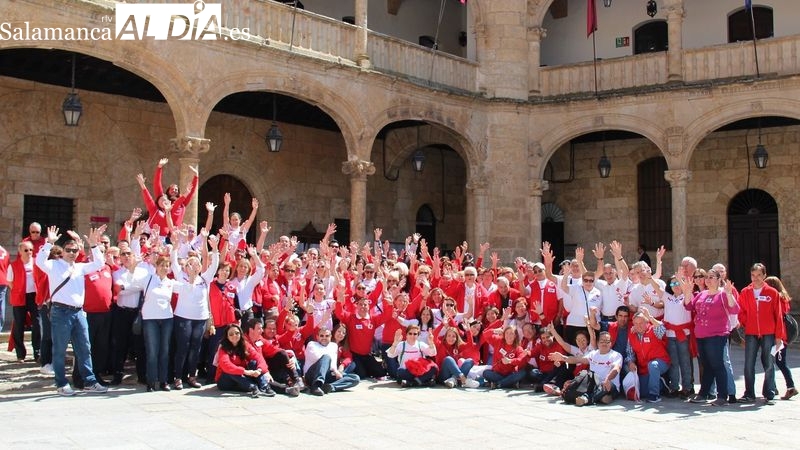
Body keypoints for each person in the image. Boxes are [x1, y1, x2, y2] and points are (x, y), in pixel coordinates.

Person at [35, 225, 109, 396]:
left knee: (84, 347)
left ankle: (89, 381)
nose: (72, 253)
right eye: (69, 250)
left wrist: (93, 245)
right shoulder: (54, 265)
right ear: (63, 251)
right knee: (60, 349)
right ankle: (61, 383)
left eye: (75, 250)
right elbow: (39, 262)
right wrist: (49, 243)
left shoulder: (80, 267)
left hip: (78, 312)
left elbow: (99, 263)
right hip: (61, 312)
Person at [679, 269, 739, 406]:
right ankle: (703, 393)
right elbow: (689, 306)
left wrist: (729, 294)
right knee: (707, 365)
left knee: (717, 364)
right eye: (707, 277)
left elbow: (734, 309)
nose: (708, 280)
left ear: (719, 280)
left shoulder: (723, 294)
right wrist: (687, 292)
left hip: (717, 335)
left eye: (711, 277)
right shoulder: (702, 294)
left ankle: (722, 395)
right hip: (701, 335)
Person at [170, 231, 220, 390]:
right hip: (183, 317)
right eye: (190, 263)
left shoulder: (205, 279)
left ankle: (192, 376)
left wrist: (215, 249)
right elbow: (173, 261)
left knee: (195, 348)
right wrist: (175, 247)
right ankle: (178, 377)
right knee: (182, 347)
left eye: (196, 263)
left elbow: (214, 265)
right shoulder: (180, 276)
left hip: (200, 318)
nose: (194, 266)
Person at [737, 263, 785, 404]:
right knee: (748, 364)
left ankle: (769, 393)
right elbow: (741, 311)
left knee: (769, 363)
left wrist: (778, 337)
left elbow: (778, 315)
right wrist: (746, 322)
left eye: (759, 275)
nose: (756, 278)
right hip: (751, 333)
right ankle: (749, 393)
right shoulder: (745, 292)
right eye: (753, 275)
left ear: (764, 275)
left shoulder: (772, 293)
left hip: (768, 333)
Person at [549, 331, 623, 406]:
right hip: (594, 384)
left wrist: (608, 379)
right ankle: (599, 398)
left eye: (607, 341)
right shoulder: (593, 354)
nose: (604, 343)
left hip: (609, 384)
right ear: (597, 342)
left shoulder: (616, 355)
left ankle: (587, 399)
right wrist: (563, 358)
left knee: (604, 387)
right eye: (602, 341)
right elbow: (578, 359)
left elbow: (616, 369)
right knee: (587, 377)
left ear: (611, 343)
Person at [215, 324, 274, 398]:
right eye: (231, 334)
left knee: (254, 363)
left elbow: (258, 357)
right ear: (227, 336)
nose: (234, 336)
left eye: (237, 333)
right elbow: (226, 365)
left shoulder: (245, 345)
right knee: (231, 370)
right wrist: (245, 372)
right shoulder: (223, 348)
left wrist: (260, 369)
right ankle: (253, 387)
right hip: (225, 381)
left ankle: (264, 386)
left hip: (242, 378)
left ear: (240, 333)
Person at [625, 308, 670, 403]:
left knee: (653, 365)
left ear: (646, 322)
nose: (638, 326)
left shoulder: (653, 329)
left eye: (641, 323)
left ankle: (654, 395)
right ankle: (661, 383)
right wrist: (630, 362)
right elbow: (629, 353)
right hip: (644, 368)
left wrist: (650, 317)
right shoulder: (632, 335)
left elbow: (662, 329)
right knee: (642, 393)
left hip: (661, 362)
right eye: (636, 324)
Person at [764, 276, 797, 400]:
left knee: (779, 362)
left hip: (778, 335)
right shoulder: (784, 297)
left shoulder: (777, 297)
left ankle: (791, 387)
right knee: (775, 361)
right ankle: (773, 387)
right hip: (783, 335)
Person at [7, 241, 40, 363]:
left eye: (31, 250)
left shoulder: (37, 263)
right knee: (19, 325)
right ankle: (20, 354)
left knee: (37, 323)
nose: (29, 252)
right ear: (20, 252)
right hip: (20, 297)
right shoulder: (13, 265)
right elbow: (10, 282)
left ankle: (37, 352)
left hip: (35, 297)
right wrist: (18, 290)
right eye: (26, 250)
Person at [303, 327, 360, 395]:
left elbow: (333, 362)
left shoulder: (333, 345)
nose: (324, 338)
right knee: (326, 357)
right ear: (317, 337)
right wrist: (335, 371)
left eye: (327, 336)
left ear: (330, 337)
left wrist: (337, 372)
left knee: (355, 378)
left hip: (327, 374)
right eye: (321, 336)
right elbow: (319, 358)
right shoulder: (312, 344)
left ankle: (330, 387)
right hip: (311, 376)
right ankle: (316, 386)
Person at [663, 275, 693, 398]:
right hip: (670, 334)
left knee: (685, 362)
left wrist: (682, 280)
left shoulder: (686, 296)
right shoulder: (667, 297)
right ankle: (674, 387)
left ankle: (687, 387)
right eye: (673, 284)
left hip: (683, 335)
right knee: (673, 362)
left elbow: (688, 297)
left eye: (678, 283)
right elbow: (654, 284)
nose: (676, 286)